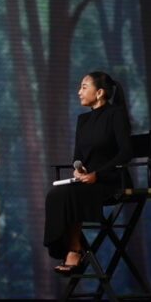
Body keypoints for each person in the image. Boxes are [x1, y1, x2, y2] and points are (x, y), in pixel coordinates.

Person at [43, 71, 133, 273]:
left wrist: (98, 175)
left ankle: (74, 250)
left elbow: (126, 153)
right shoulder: (83, 120)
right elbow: (78, 157)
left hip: (111, 180)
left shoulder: (116, 115)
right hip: (87, 180)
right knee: (55, 194)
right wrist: (79, 169)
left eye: (84, 87)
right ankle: (66, 248)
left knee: (70, 195)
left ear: (99, 92)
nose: (79, 92)